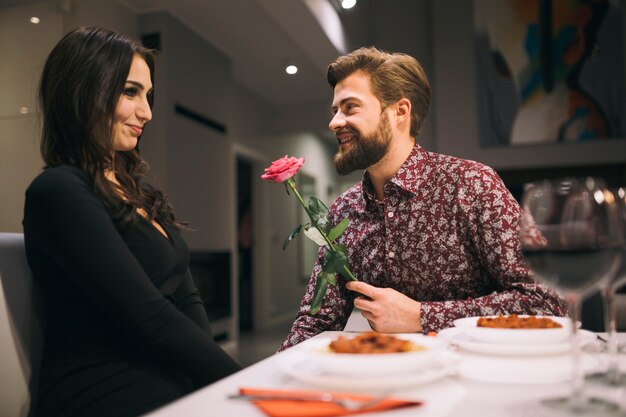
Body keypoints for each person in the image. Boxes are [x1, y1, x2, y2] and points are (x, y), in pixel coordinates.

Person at [280, 47, 567, 350]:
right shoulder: (343, 211)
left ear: (400, 111)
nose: (334, 122)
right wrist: (274, 374)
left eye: (350, 107)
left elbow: (547, 299)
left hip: (478, 378)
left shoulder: (471, 185)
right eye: (335, 110)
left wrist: (422, 316)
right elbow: (316, 321)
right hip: (390, 379)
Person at [23, 27, 240, 417]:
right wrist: (247, 388)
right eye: (130, 92)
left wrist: (221, 387)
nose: (147, 112)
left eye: (148, 95)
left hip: (172, 379)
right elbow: (150, 319)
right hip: (106, 390)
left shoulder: (137, 193)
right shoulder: (58, 190)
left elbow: (187, 299)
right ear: (84, 90)